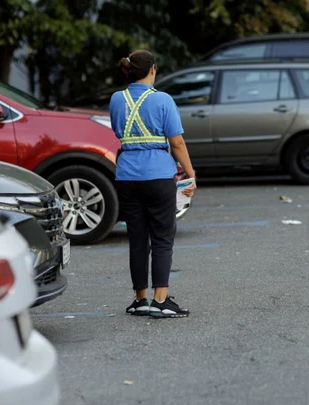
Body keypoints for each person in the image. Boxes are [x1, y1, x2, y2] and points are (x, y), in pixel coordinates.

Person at [110, 49, 196, 318]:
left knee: (137, 239)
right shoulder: (163, 100)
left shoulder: (116, 99)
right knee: (162, 237)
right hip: (158, 176)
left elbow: (116, 131)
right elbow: (177, 142)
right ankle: (161, 301)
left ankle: (140, 300)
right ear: (153, 70)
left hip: (126, 176)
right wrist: (190, 173)